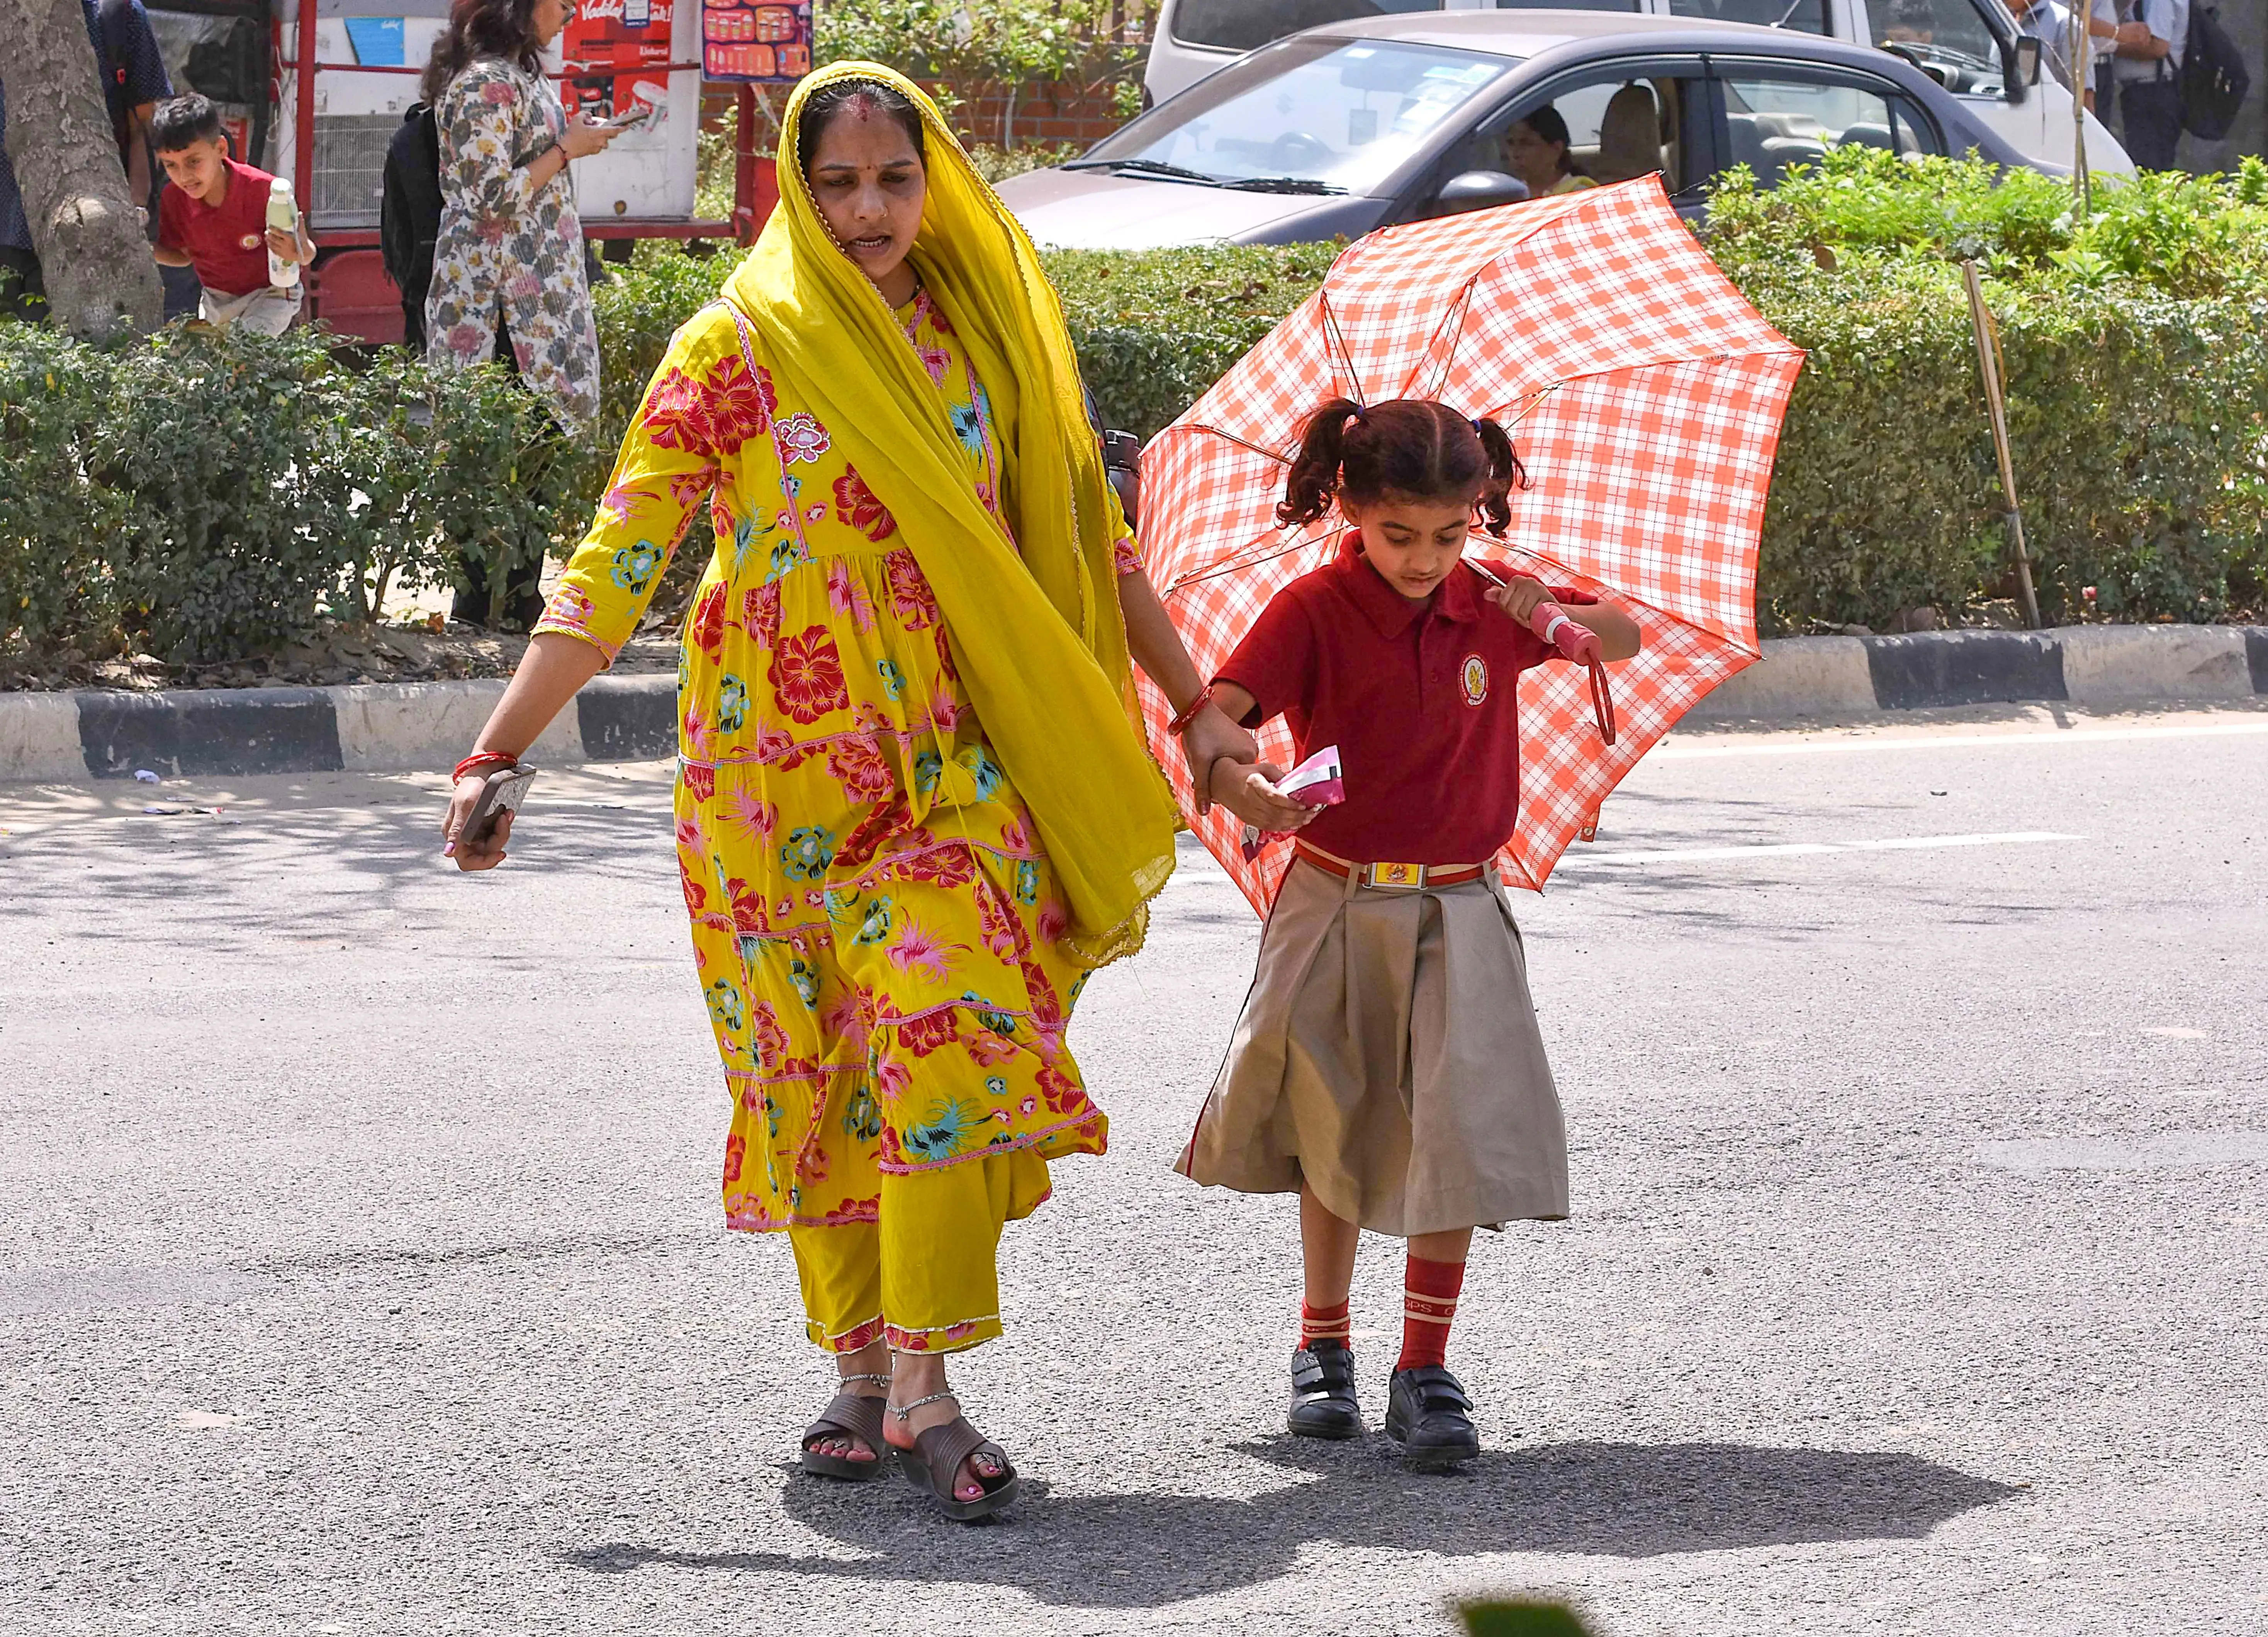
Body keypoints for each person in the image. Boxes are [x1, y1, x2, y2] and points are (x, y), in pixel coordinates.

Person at [438, 64, 1283, 1521]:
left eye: (895, 178)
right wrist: (498, 749)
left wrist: (1199, 707)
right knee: (812, 1070)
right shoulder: (736, 345)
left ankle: (924, 1385)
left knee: (943, 1036)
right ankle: (854, 1362)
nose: (869, 210)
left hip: (951, 771)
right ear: (795, 186)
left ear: (934, 180)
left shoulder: (988, 341)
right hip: (764, 786)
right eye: (837, 183)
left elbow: (1091, 541)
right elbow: (618, 559)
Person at [1178, 396, 1640, 1471]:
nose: (1426, 558)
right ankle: (1324, 1343)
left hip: (1462, 903)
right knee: (1331, 1119)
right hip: (1335, 896)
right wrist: (1244, 780)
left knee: (1459, 1130)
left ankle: (1424, 1365)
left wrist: (1550, 610)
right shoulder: (1312, 607)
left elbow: (1619, 635)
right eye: (1399, 534)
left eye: (1450, 532)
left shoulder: (1493, 600)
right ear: (1347, 505)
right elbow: (1218, 715)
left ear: (1480, 510)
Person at [420, 0, 620, 622]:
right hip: (496, 299)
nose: (570, 13)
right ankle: (483, 597)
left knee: (538, 438)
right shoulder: (485, 83)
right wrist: (566, 148)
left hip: (534, 292)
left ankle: (516, 593)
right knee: (493, 442)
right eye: (560, 3)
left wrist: (570, 143)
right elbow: (490, 198)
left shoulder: (517, 76)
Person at [0, 0, 171, 321]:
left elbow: (145, 124)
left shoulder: (118, 15)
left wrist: (133, 210)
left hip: (81, 237)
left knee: (71, 347)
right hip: (7, 221)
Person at [149, 94, 313, 335]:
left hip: (271, 295)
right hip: (216, 300)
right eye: (171, 165)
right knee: (212, 356)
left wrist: (297, 252)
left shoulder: (265, 191)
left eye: (193, 162)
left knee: (244, 350)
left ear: (221, 149)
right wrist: (144, 250)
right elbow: (183, 256)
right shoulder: (173, 199)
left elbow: (307, 254)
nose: (184, 177)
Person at [2110, 0, 2185, 169]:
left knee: (2149, 168)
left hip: (2153, 95)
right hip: (2147, 93)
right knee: (2147, 164)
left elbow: (2158, 47)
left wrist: (2108, 45)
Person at [1501, 105, 1595, 200]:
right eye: (1511, 143)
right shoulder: (1509, 196)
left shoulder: (1580, 196)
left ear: (1556, 149)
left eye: (1526, 143)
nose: (1515, 154)